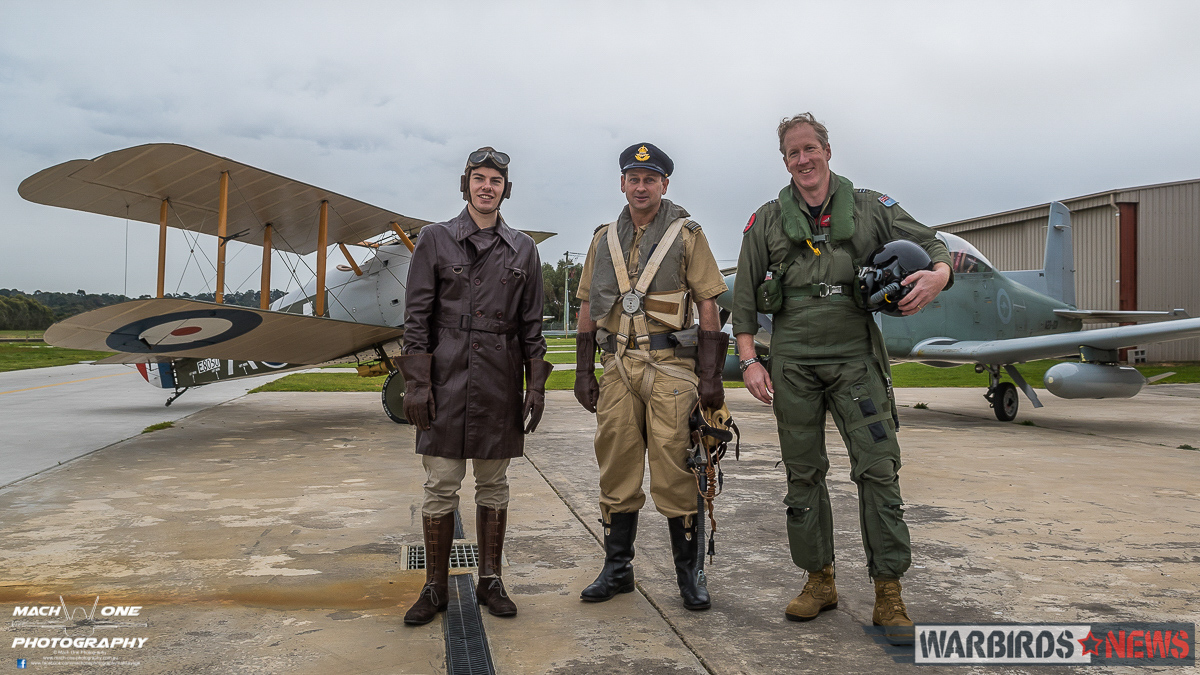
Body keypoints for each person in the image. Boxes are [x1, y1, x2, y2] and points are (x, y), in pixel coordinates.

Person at [732, 114, 953, 645]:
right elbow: (742, 300)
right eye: (792, 154)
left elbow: (935, 245)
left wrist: (938, 276)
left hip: (856, 362)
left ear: (827, 151)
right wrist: (749, 360)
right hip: (793, 366)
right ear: (784, 161)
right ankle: (819, 580)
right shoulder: (765, 220)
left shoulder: (874, 208)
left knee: (878, 471)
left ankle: (889, 594)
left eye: (810, 149)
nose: (803, 160)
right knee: (803, 475)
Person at [396, 147, 552, 625]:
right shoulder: (435, 240)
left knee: (494, 483)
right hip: (445, 379)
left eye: (496, 181)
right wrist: (417, 385)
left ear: (507, 189)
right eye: (479, 179)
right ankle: (435, 586)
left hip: (498, 381)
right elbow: (416, 317)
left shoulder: (523, 248)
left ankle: (491, 580)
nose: (488, 187)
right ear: (465, 185)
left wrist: (536, 386)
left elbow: (531, 325)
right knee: (441, 483)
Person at [573, 143, 729, 611]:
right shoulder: (603, 239)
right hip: (617, 367)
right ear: (622, 183)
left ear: (664, 185)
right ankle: (617, 569)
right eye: (633, 178)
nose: (641, 186)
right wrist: (582, 370)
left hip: (671, 369)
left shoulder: (687, 234)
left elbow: (707, 305)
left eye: (651, 179)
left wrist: (710, 377)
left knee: (678, 471)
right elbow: (585, 306)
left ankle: (690, 576)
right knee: (616, 467)